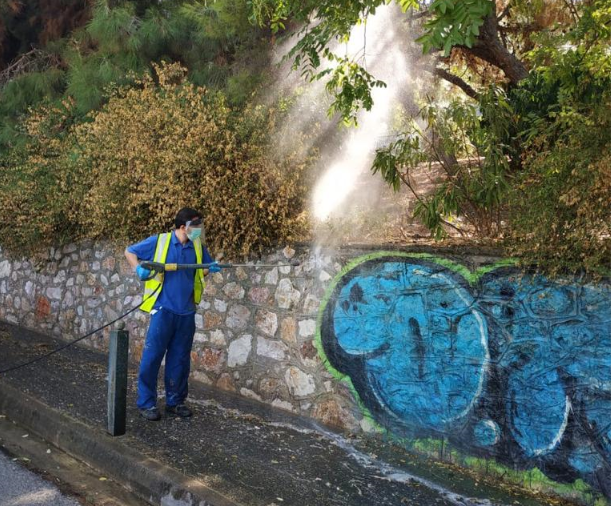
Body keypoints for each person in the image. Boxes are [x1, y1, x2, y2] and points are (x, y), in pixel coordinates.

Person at [124, 207, 220, 421]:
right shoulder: (160, 242)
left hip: (186, 312)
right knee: (152, 358)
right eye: (195, 226)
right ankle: (146, 403)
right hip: (163, 310)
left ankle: (175, 402)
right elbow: (129, 251)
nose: (198, 230)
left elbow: (200, 268)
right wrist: (138, 269)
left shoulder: (197, 246)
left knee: (179, 360)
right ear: (182, 227)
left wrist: (210, 268)